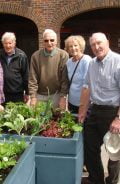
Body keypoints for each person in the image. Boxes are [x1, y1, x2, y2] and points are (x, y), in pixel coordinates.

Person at [78, 32, 120, 184]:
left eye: (99, 43)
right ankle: (96, 180)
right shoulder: (92, 63)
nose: (96, 47)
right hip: (95, 111)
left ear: (107, 42)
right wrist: (82, 111)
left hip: (113, 112)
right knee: (90, 147)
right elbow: (87, 88)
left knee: (114, 152)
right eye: (93, 45)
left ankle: (112, 181)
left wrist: (118, 119)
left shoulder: (118, 61)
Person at [29, 29, 69, 109]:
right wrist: (33, 97)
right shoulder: (35, 56)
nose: (49, 43)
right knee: (39, 120)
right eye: (46, 40)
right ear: (43, 42)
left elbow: (65, 78)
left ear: (56, 41)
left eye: (52, 40)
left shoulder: (63, 55)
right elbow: (32, 78)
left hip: (57, 95)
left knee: (56, 120)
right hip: (40, 95)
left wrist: (63, 97)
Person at [0, 32, 29, 105]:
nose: (8, 46)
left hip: (17, 94)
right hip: (2, 93)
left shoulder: (21, 56)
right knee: (4, 115)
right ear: (3, 44)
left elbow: (26, 75)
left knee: (17, 115)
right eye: (5, 43)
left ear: (14, 43)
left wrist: (27, 92)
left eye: (10, 43)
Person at [65, 35, 91, 115]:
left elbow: (88, 85)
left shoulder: (86, 60)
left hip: (83, 102)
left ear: (80, 46)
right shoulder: (68, 62)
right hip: (71, 101)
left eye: (75, 45)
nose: (73, 48)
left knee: (83, 125)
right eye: (70, 46)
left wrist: (83, 105)